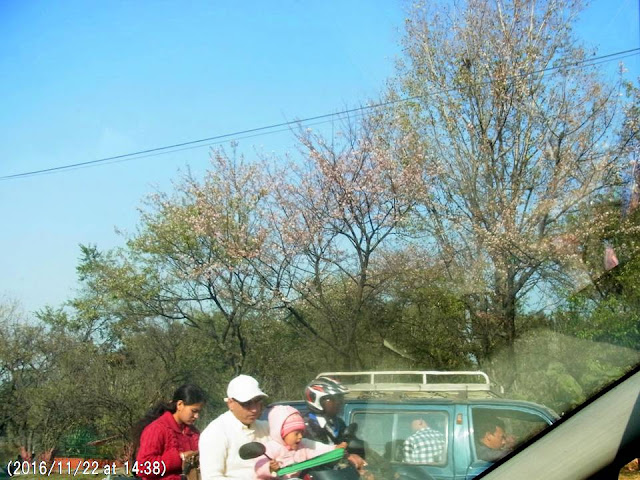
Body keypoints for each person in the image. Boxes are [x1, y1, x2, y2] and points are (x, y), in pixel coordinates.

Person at [199, 375, 270, 480]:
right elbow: (211, 477)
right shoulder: (215, 433)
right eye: (247, 404)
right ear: (230, 403)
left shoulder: (266, 428)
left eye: (257, 402)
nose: (254, 409)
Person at [134, 384, 206, 480]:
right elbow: (142, 467)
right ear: (180, 405)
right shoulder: (157, 429)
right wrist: (180, 458)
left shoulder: (194, 434)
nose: (196, 416)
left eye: (198, 412)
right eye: (193, 411)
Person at [254, 405, 346, 479]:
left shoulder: (303, 445)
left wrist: (334, 449)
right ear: (281, 433)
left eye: (302, 432)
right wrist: (269, 468)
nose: (300, 436)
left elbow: (316, 447)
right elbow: (259, 466)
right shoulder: (271, 448)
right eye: (296, 433)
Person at [302, 377, 367, 470]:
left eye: (341, 399)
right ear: (318, 401)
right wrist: (347, 458)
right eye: (335, 399)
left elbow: (347, 445)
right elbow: (319, 454)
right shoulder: (306, 426)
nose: (340, 403)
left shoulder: (338, 423)